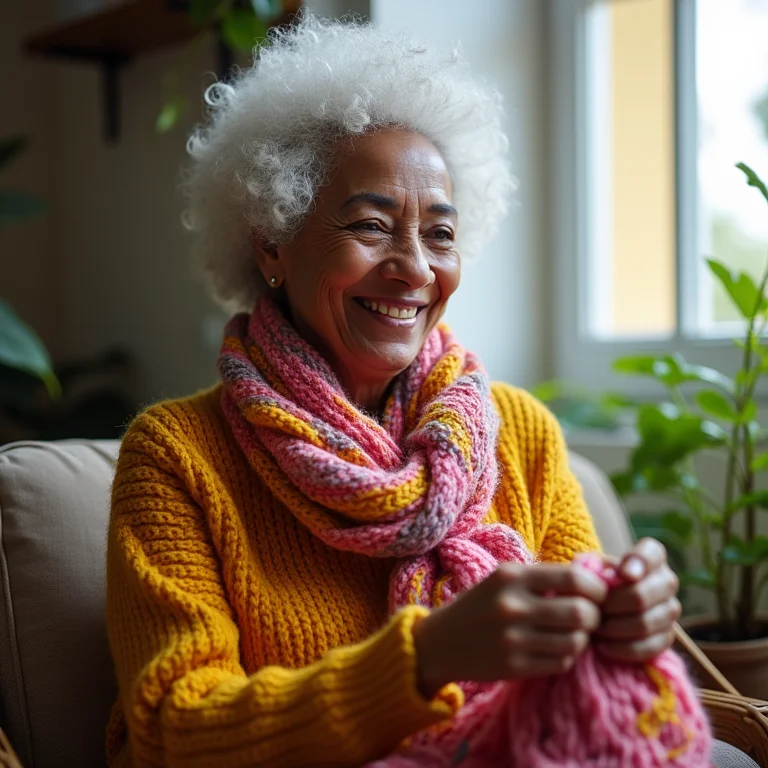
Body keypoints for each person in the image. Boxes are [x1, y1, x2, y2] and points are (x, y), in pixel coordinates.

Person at [105, 13, 681, 767]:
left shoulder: (521, 432)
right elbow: (169, 729)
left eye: (439, 234)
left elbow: (595, 705)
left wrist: (628, 627)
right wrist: (422, 661)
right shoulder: (176, 456)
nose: (414, 268)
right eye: (371, 225)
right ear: (272, 243)